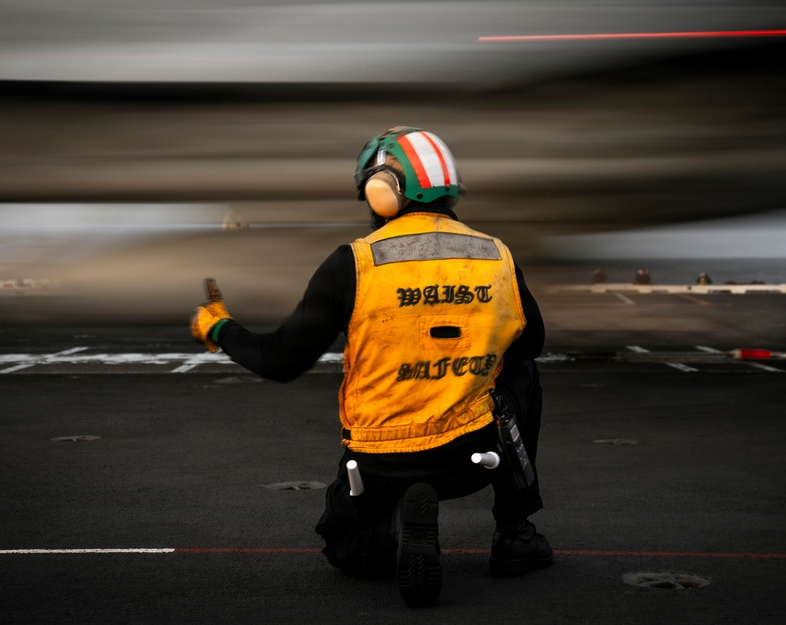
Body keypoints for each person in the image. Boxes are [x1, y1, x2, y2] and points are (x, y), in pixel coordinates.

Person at [190, 127, 552, 608]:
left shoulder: (353, 264)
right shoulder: (497, 255)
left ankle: (387, 520)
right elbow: (533, 343)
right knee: (521, 374)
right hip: (471, 460)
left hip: (377, 465)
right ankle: (516, 534)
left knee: (355, 557)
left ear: (383, 191)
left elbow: (279, 360)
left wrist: (218, 329)